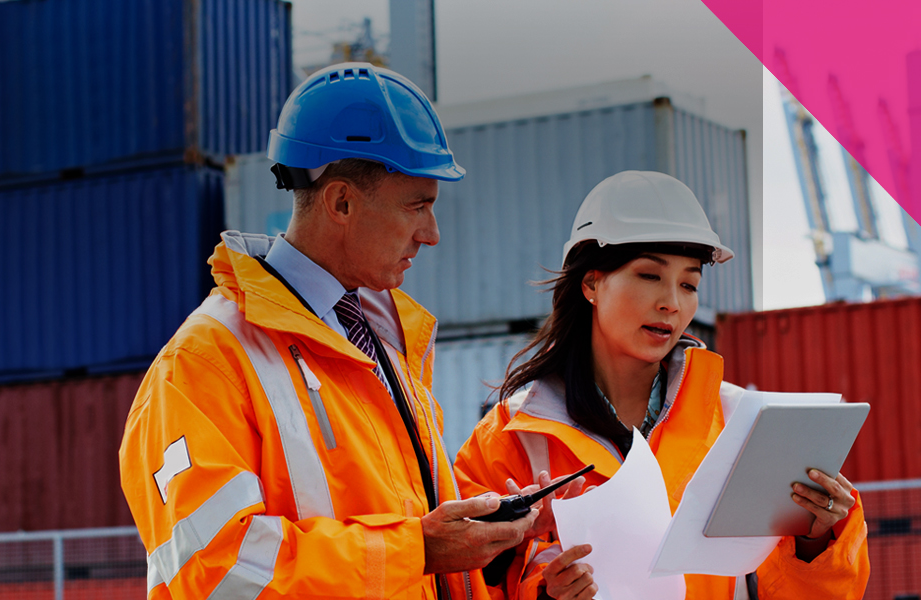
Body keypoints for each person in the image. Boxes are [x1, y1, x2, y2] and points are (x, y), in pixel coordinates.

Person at [119, 63, 538, 600]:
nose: (431, 235)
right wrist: (419, 549)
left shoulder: (385, 345)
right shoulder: (203, 363)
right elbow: (217, 572)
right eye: (419, 206)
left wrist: (511, 566)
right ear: (341, 201)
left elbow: (421, 560)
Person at [453, 171, 871, 600]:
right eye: (650, 276)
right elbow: (464, 583)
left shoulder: (738, 423)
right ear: (592, 283)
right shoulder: (510, 439)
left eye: (689, 284)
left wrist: (816, 540)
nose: (672, 301)